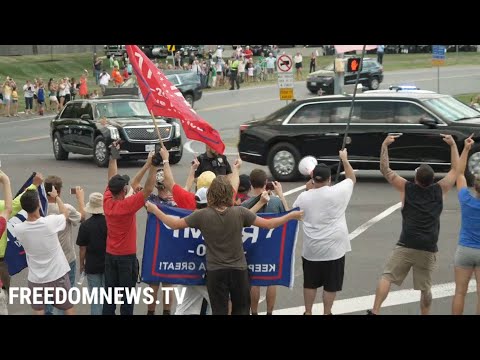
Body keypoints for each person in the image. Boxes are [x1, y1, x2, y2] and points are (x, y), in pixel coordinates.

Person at [146, 175, 304, 315]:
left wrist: (156, 211)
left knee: (219, 311)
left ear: (211, 194)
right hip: (239, 271)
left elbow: (174, 224)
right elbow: (269, 225)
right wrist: (290, 215)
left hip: (215, 273)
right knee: (241, 310)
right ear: (229, 193)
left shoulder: (202, 215)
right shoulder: (239, 213)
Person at [368, 134, 460, 315]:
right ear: (432, 179)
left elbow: (385, 169)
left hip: (406, 243)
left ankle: (375, 311)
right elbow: (456, 169)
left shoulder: (406, 188)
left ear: (416, 178)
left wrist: (385, 145)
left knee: (387, 276)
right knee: (425, 288)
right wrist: (452, 145)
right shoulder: (439, 189)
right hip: (428, 247)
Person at [293, 151, 356, 315]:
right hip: (334, 250)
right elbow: (351, 179)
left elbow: (294, 214)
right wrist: (344, 159)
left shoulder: (303, 197)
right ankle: (327, 312)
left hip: (312, 250)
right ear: (329, 179)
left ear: (313, 180)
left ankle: (308, 312)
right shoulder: (339, 191)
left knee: (310, 283)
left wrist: (308, 190)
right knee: (331, 285)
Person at [102, 145, 158, 315]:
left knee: (109, 299)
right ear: (124, 191)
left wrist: (113, 156)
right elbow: (148, 189)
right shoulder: (127, 206)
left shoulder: (108, 200)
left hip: (110, 256)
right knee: (127, 301)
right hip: (126, 259)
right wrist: (154, 166)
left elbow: (112, 177)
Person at [14, 187, 74, 315]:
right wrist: (56, 197)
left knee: (39, 310)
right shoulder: (50, 222)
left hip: (36, 279)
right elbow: (65, 214)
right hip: (58, 275)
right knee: (67, 306)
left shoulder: (19, 229)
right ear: (38, 204)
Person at [241, 169, 289, 315]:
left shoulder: (246, 204)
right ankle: (269, 312)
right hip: (272, 246)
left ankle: (254, 312)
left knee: (255, 281)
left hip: (253, 247)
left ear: (251, 183)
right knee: (271, 280)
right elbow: (288, 216)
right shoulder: (276, 202)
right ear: (266, 183)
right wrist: (281, 195)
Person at [44, 176, 85, 315]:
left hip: (47, 261)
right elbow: (82, 217)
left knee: (47, 298)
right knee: (65, 297)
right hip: (66, 259)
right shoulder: (66, 209)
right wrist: (80, 198)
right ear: (59, 191)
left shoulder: (39, 210)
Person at [452, 136, 480, 315]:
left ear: (475, 188)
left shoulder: (466, 200)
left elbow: (460, 173)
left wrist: (466, 149)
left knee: (460, 293)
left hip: (464, 250)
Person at [145, 167, 177, 315]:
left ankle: (150, 312)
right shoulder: (176, 203)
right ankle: (167, 312)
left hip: (154, 245)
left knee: (153, 282)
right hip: (170, 246)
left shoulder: (150, 201)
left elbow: (140, 188)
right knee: (168, 283)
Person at [76, 192, 107, 315]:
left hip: (92, 265)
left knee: (95, 298)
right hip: (107, 264)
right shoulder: (109, 223)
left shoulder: (85, 225)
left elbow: (82, 248)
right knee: (107, 296)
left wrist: (82, 264)